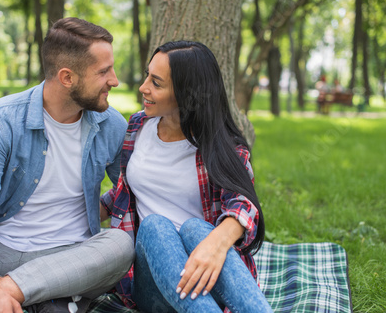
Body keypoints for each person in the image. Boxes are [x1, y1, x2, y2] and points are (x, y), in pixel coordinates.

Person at [0, 17, 134, 313]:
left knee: (120, 245)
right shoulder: (1, 119)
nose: (115, 80)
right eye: (104, 71)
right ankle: (42, 297)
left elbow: (134, 190)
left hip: (72, 258)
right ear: (67, 77)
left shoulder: (111, 125)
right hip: (0, 253)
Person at [101, 41, 273, 312]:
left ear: (186, 94)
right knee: (155, 226)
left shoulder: (222, 146)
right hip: (154, 283)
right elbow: (122, 195)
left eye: (156, 83)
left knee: (196, 229)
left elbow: (243, 204)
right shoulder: (137, 127)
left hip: (209, 274)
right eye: (147, 76)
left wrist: (215, 243)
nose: (143, 87)